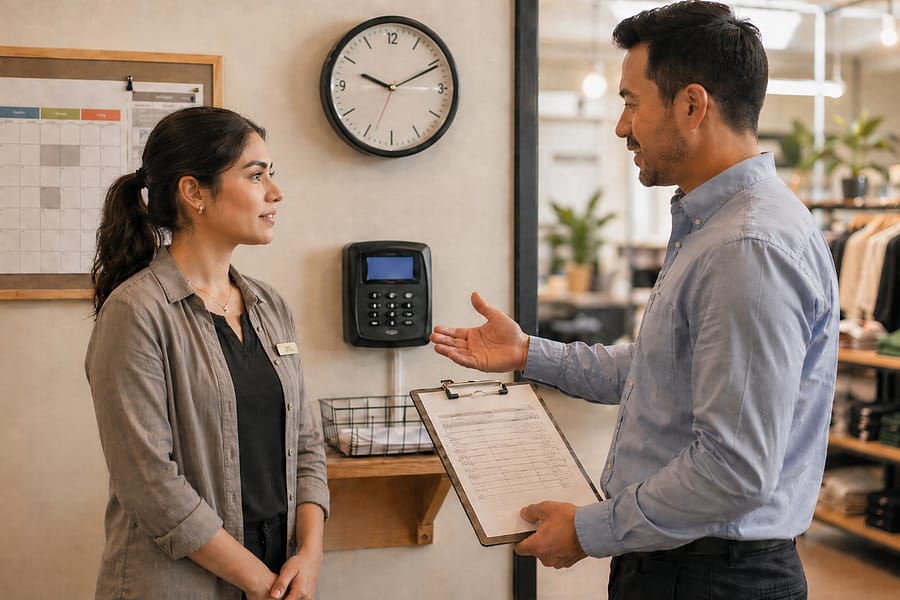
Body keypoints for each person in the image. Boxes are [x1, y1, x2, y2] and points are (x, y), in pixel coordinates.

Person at [430, 2, 839, 598]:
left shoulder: (747, 247)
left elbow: (735, 470)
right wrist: (527, 353)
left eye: (630, 102)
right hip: (688, 568)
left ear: (692, 106)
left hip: (711, 578)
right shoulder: (715, 229)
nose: (622, 127)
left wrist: (588, 530)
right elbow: (659, 369)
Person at [85, 106, 329, 600]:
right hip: (182, 584)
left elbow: (305, 444)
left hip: (280, 577)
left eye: (272, 175)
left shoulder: (270, 305)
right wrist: (260, 583)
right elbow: (150, 485)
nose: (276, 193)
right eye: (256, 176)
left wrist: (310, 553)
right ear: (194, 192)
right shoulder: (135, 312)